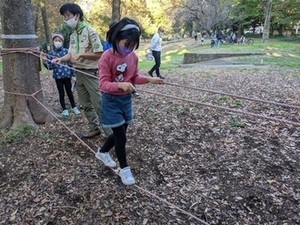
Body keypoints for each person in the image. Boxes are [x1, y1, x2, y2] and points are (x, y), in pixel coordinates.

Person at [95, 17, 164, 185]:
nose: (129, 48)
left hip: (126, 100)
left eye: (133, 45)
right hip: (111, 101)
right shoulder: (106, 57)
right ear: (116, 38)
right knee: (121, 137)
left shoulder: (133, 56)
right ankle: (124, 170)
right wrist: (120, 85)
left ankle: (103, 152)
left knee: (121, 133)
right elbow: (103, 84)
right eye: (126, 44)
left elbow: (134, 77)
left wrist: (149, 80)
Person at [51, 3, 112, 138]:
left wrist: (81, 55)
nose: (66, 19)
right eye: (64, 17)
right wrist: (60, 59)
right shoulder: (73, 35)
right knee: (85, 104)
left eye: (68, 15)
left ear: (77, 15)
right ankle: (94, 128)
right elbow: (71, 54)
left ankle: (110, 134)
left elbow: (100, 53)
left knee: (99, 104)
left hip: (91, 73)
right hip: (79, 73)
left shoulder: (90, 31)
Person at [41, 33, 80, 117]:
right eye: (56, 40)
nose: (57, 42)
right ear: (53, 42)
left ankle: (74, 107)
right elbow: (50, 66)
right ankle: (64, 109)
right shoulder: (51, 53)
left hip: (67, 76)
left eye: (59, 41)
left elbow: (71, 64)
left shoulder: (67, 52)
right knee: (61, 92)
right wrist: (44, 61)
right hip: (58, 77)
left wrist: (73, 75)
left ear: (62, 42)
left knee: (69, 91)